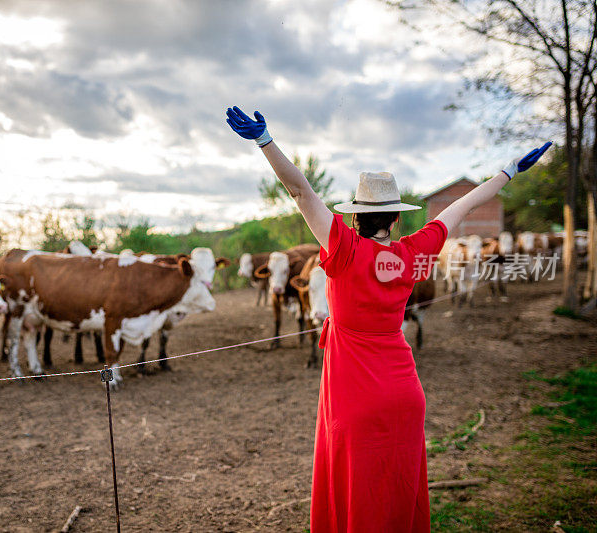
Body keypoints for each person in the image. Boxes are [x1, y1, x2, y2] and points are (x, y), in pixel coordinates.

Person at [225, 106, 550, 533]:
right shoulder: (413, 252)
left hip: (355, 398)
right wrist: (509, 169)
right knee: (395, 492)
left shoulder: (342, 249)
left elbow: (301, 192)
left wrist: (265, 141)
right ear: (396, 218)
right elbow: (466, 205)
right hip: (404, 392)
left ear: (354, 216)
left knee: (357, 495)